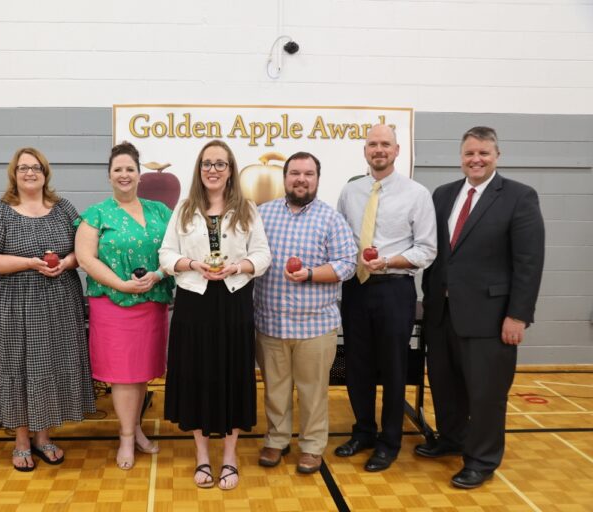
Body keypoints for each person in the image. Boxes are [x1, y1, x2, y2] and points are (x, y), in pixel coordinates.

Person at [419, 126, 544, 489]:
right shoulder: (443, 195)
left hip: (491, 318)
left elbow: (529, 262)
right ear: (460, 157)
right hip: (442, 315)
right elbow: (437, 255)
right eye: (470, 153)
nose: (476, 159)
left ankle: (482, 459)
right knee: (445, 386)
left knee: (486, 394)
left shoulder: (519, 197)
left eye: (483, 153)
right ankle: (452, 439)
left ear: (497, 156)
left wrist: (518, 315)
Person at [0, 147, 96, 472]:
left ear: (46, 172)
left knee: (49, 366)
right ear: (14, 173)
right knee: (18, 367)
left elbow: (83, 250)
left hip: (58, 301)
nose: (30, 173)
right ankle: (21, 441)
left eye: (36, 167)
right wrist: (28, 263)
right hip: (14, 305)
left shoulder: (63, 208)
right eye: (23, 168)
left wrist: (66, 262)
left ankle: (44, 436)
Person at [159, 140, 271, 490]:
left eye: (220, 164)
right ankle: (203, 455)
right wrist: (193, 264)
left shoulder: (248, 209)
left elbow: (263, 255)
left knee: (233, 374)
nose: (213, 170)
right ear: (199, 169)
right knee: (196, 375)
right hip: (195, 303)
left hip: (234, 302)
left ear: (230, 170)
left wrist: (238, 266)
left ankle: (230, 456)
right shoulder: (184, 209)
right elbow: (165, 254)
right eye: (207, 164)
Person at [335, 124, 437, 472]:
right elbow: (342, 238)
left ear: (397, 151)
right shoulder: (351, 192)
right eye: (373, 144)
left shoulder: (417, 194)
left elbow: (426, 249)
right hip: (356, 288)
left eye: (385, 144)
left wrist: (390, 260)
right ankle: (364, 431)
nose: (379, 150)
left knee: (393, 368)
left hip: (394, 287)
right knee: (356, 365)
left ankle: (389, 442)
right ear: (365, 151)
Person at [255, 152, 357, 474]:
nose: (301, 179)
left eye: (308, 174)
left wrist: (311, 273)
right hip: (270, 321)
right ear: (284, 178)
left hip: (315, 325)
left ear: (317, 179)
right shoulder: (262, 215)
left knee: (314, 393)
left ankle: (312, 447)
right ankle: (277, 439)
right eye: (295, 173)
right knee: (275, 389)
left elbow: (348, 265)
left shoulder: (331, 219)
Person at [75, 141, 174, 471]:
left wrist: (159, 275)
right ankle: (126, 437)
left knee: (141, 371)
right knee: (122, 375)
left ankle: (137, 430)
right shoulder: (96, 214)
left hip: (152, 301)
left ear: (139, 174)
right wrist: (121, 284)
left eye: (130, 168)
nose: (124, 174)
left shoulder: (160, 211)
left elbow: (175, 249)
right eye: (118, 169)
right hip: (114, 303)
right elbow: (86, 259)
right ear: (109, 175)